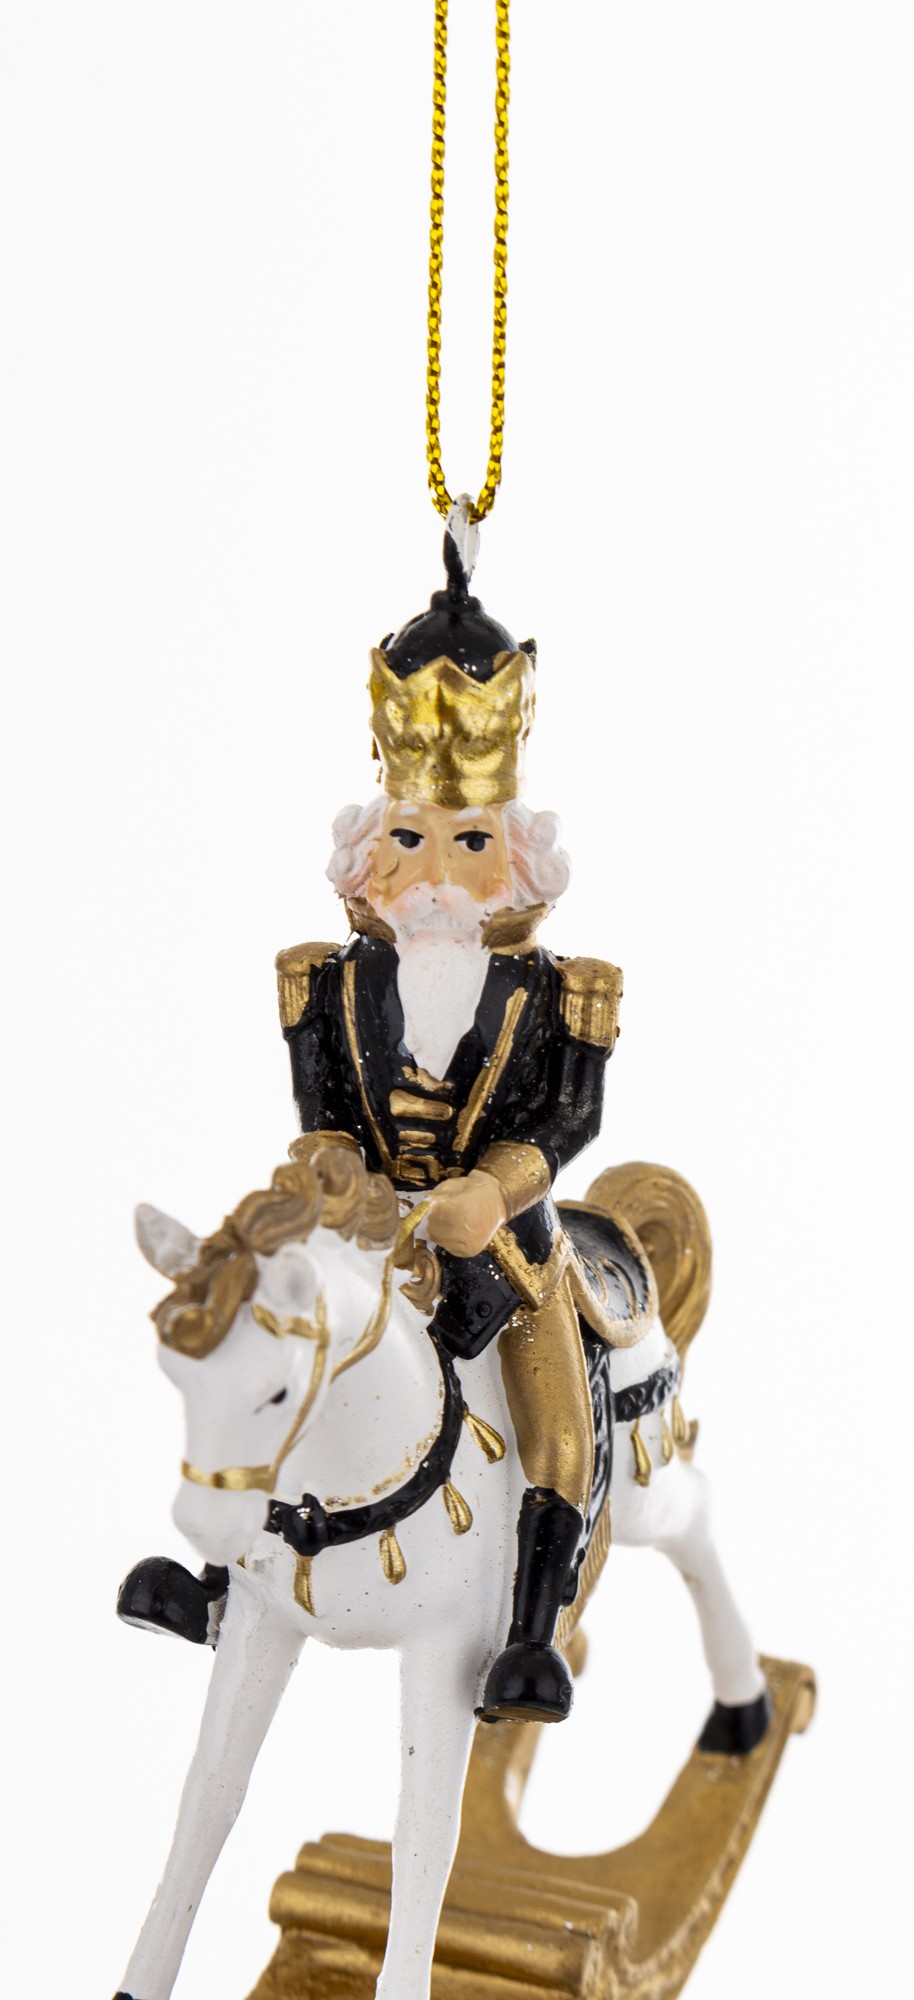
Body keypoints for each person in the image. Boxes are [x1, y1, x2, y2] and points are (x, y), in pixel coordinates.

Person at [276, 532, 622, 1721]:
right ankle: (229, 1569)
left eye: (469, 842)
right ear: (373, 853)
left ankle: (530, 1630)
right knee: (265, 1343)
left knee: (553, 1405)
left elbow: (572, 1114)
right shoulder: (326, 980)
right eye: (411, 840)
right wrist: (330, 1172)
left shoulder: (560, 989)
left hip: (504, 1237)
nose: (436, 870)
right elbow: (324, 1110)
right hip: (367, 1225)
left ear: (510, 857)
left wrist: (497, 1186)